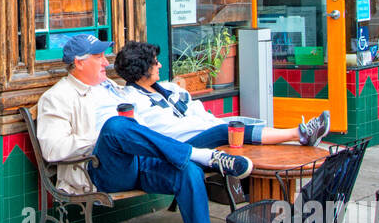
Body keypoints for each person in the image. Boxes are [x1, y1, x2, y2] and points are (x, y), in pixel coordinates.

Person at [35, 34, 255, 223]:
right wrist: (105, 138)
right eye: (98, 57)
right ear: (79, 63)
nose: (106, 62)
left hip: (140, 159)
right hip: (102, 170)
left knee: (188, 172)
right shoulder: (58, 97)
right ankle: (202, 155)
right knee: (116, 126)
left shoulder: (112, 87)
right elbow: (52, 148)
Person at [113, 40, 330, 148]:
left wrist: (209, 122)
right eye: (154, 63)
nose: (159, 65)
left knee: (238, 122)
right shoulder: (132, 100)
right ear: (141, 69)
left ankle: (298, 135)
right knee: (229, 130)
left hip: (202, 131)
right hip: (181, 144)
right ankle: (299, 134)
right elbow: (159, 131)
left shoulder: (169, 89)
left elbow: (195, 110)